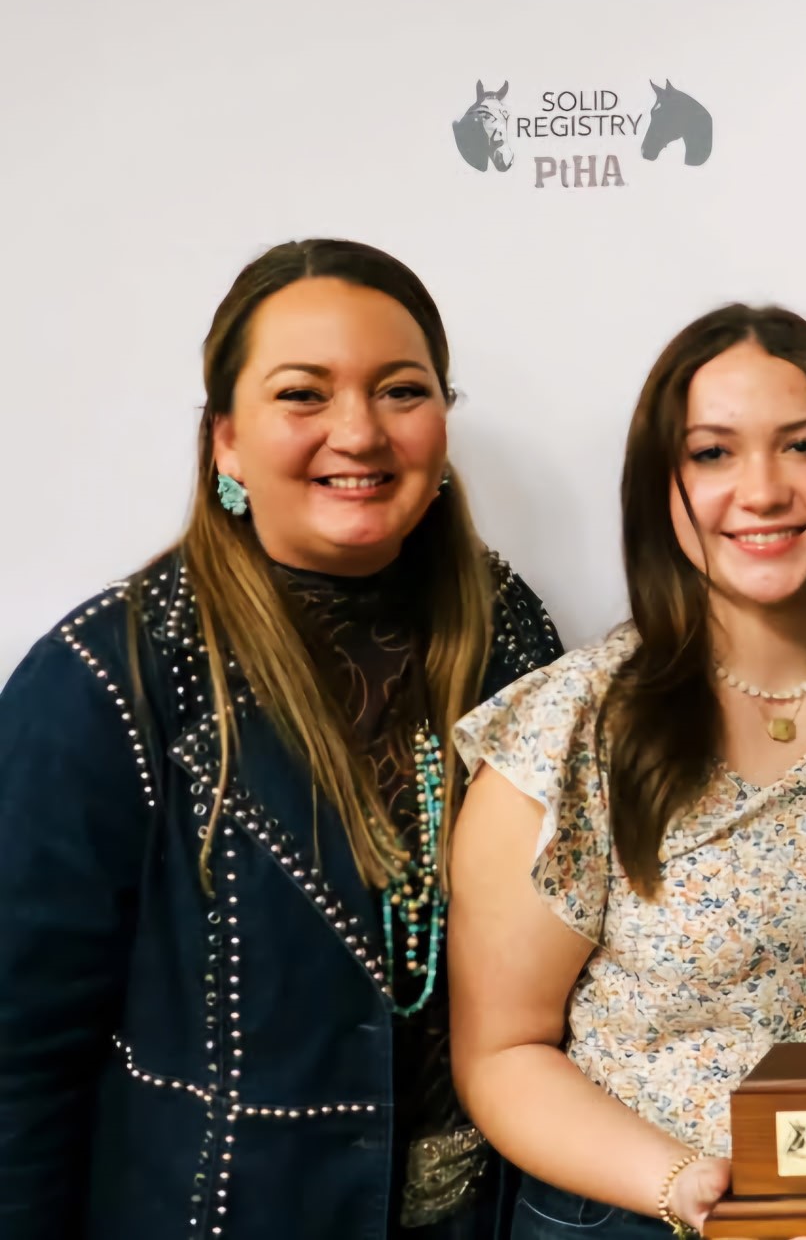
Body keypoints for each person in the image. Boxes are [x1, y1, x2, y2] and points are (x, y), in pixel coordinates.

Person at [0, 238, 565, 1239]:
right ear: (225, 440)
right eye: (303, 394)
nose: (359, 432)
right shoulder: (110, 674)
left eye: (401, 390)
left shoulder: (508, 633)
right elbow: (19, 1053)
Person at [449, 305, 806, 1240]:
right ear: (662, 487)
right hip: (639, 1213)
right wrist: (688, 1185)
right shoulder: (571, 728)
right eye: (713, 453)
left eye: (803, 445)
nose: (761, 490)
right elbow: (502, 1051)